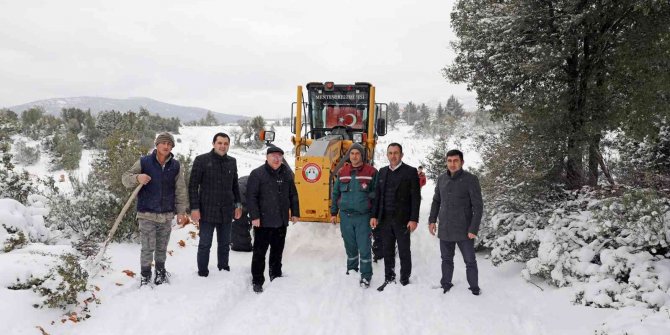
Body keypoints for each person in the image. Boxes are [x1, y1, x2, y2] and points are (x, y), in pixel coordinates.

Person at [122, 132, 188, 286]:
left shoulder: (176, 166)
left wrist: (181, 212)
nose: (166, 146)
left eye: (169, 144)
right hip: (146, 213)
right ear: (157, 145)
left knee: (161, 247)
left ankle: (160, 274)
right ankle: (145, 277)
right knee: (147, 248)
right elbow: (125, 178)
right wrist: (137, 178)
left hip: (166, 215)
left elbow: (180, 190)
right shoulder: (144, 162)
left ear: (172, 147)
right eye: (163, 143)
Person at [428, 149, 483, 295]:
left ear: (462, 162)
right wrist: (432, 220)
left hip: (464, 229)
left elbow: (478, 206)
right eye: (449, 161)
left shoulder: (471, 179)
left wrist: (473, 229)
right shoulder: (441, 179)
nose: (452, 164)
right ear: (446, 162)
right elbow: (436, 200)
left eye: (455, 161)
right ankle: (446, 283)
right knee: (446, 259)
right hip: (445, 227)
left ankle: (474, 287)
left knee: (470, 261)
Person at [247, 146, 300, 293]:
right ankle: (257, 280)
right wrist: (255, 216)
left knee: (277, 251)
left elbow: (293, 195)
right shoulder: (258, 174)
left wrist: (295, 212)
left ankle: (275, 274)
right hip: (263, 222)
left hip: (281, 221)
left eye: (279, 156)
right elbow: (251, 197)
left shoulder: (287, 174)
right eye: (273, 156)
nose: (277, 159)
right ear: (267, 157)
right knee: (260, 253)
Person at [189, 132, 242, 277]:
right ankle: (202, 272)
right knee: (205, 244)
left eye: (226, 144)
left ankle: (223, 269)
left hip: (226, 210)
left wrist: (238, 205)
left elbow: (235, 185)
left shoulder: (232, 161)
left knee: (225, 244)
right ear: (213, 144)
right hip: (207, 210)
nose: (223, 146)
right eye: (220, 143)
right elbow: (193, 186)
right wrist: (194, 208)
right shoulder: (201, 160)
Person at [370, 143, 421, 287]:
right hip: (385, 219)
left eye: (396, 153)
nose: (393, 156)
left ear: (401, 155)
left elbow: (415, 198)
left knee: (404, 250)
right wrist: (374, 216)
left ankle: (404, 278)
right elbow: (378, 197)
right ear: (387, 155)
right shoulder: (382, 172)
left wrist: (413, 219)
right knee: (388, 250)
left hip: (403, 220)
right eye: (390, 153)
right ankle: (389, 277)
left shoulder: (410, 172)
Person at [330, 143, 378, 288]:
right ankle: (352, 269)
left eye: (357, 153)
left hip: (363, 217)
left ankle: (366, 275)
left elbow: (376, 196)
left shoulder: (371, 172)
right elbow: (336, 193)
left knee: (364, 247)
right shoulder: (343, 171)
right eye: (352, 154)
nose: (354, 156)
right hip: (346, 217)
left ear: (362, 156)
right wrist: (333, 213)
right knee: (350, 245)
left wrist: (374, 215)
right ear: (349, 155)